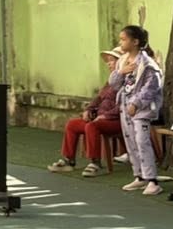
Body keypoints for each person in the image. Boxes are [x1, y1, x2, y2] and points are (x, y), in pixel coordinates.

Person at [49, 48, 123, 177]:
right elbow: (98, 98)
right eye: (108, 61)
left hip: (116, 120)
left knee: (92, 126)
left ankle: (95, 163)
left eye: (112, 60)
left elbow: (123, 106)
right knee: (72, 124)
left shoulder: (127, 80)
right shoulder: (110, 81)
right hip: (99, 119)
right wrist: (88, 110)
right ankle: (69, 160)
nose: (109, 64)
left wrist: (105, 116)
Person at [115, 26, 164, 197]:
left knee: (142, 141)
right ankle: (139, 175)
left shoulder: (147, 64)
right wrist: (120, 72)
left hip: (141, 110)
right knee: (131, 141)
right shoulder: (122, 61)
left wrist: (136, 103)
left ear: (135, 42)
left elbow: (151, 87)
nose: (120, 42)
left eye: (124, 39)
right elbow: (114, 83)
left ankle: (152, 180)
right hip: (125, 107)